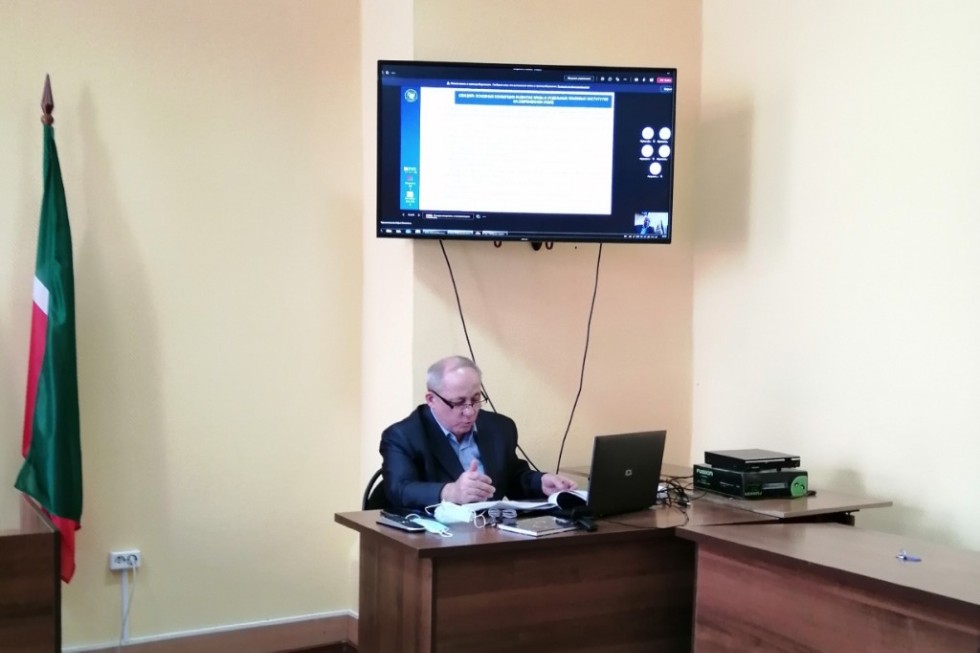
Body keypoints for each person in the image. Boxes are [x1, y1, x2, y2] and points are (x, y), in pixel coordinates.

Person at [380, 355, 577, 512]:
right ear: (431, 399)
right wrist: (450, 492)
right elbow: (399, 489)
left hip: (491, 532)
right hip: (436, 536)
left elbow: (512, 477)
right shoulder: (403, 435)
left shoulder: (500, 427)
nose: (470, 411)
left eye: (475, 399)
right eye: (458, 403)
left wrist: (540, 482)